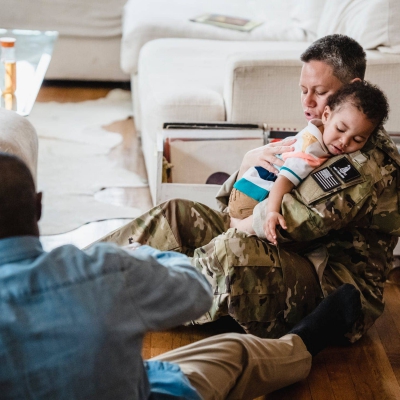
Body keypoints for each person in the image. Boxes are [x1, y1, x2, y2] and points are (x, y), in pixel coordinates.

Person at [99, 34, 400, 342]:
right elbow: (235, 201)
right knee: (178, 214)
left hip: (331, 288)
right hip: (288, 251)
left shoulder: (361, 160)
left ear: (352, 87)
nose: (307, 103)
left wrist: (234, 226)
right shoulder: (325, 127)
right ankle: (78, 271)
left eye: (319, 92)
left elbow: (287, 224)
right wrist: (247, 163)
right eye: (303, 90)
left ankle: (111, 296)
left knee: (233, 251)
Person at [0, 152, 362, 400]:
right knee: (233, 352)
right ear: (39, 204)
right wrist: (142, 259)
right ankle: (304, 341)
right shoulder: (106, 269)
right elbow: (197, 291)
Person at [229, 81, 389, 245]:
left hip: (248, 187)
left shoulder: (321, 132)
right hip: (252, 194)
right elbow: (283, 181)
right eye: (340, 129)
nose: (344, 142)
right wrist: (271, 212)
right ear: (326, 116)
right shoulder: (310, 149)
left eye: (358, 139)